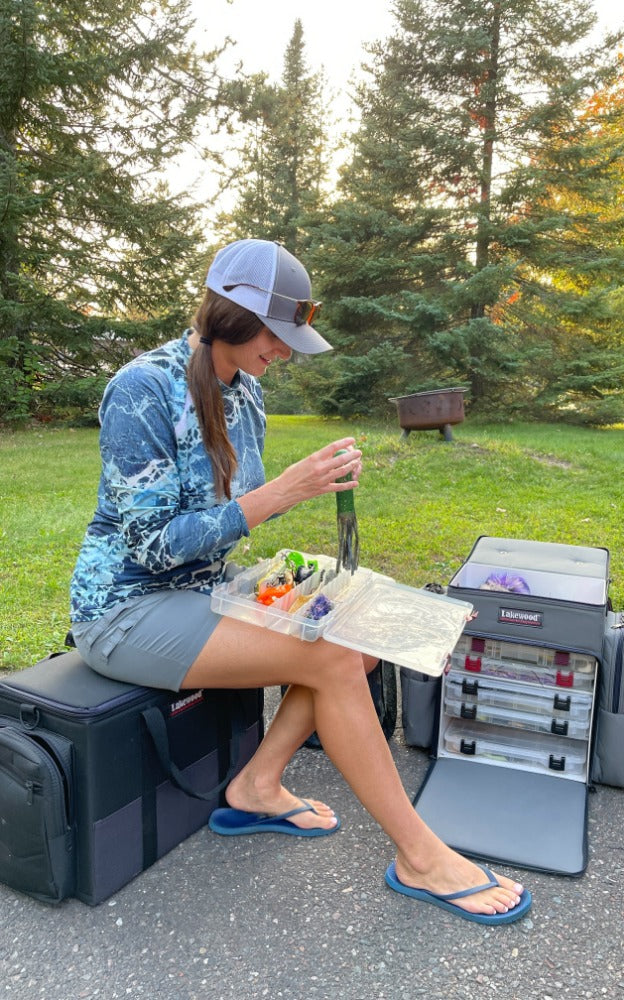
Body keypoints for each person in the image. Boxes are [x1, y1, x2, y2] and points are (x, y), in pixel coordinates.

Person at [69, 238, 532, 926]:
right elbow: (154, 546)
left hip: (205, 589)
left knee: (359, 634)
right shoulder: (142, 388)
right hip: (127, 611)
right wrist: (285, 493)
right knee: (332, 655)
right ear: (230, 312)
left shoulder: (245, 393)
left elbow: (229, 518)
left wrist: (301, 532)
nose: (283, 353)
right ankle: (421, 856)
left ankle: (256, 784)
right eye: (276, 336)